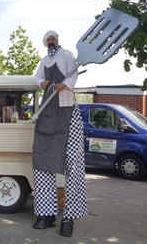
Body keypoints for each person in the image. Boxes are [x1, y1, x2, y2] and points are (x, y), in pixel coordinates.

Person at [32, 30, 87, 237]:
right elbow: (37, 76)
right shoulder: (43, 60)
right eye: (48, 39)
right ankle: (46, 215)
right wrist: (41, 83)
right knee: (43, 165)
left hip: (66, 111)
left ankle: (69, 217)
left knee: (72, 166)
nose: (51, 41)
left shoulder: (68, 56)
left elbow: (73, 75)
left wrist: (66, 84)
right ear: (45, 43)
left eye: (53, 38)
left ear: (57, 40)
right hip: (47, 112)